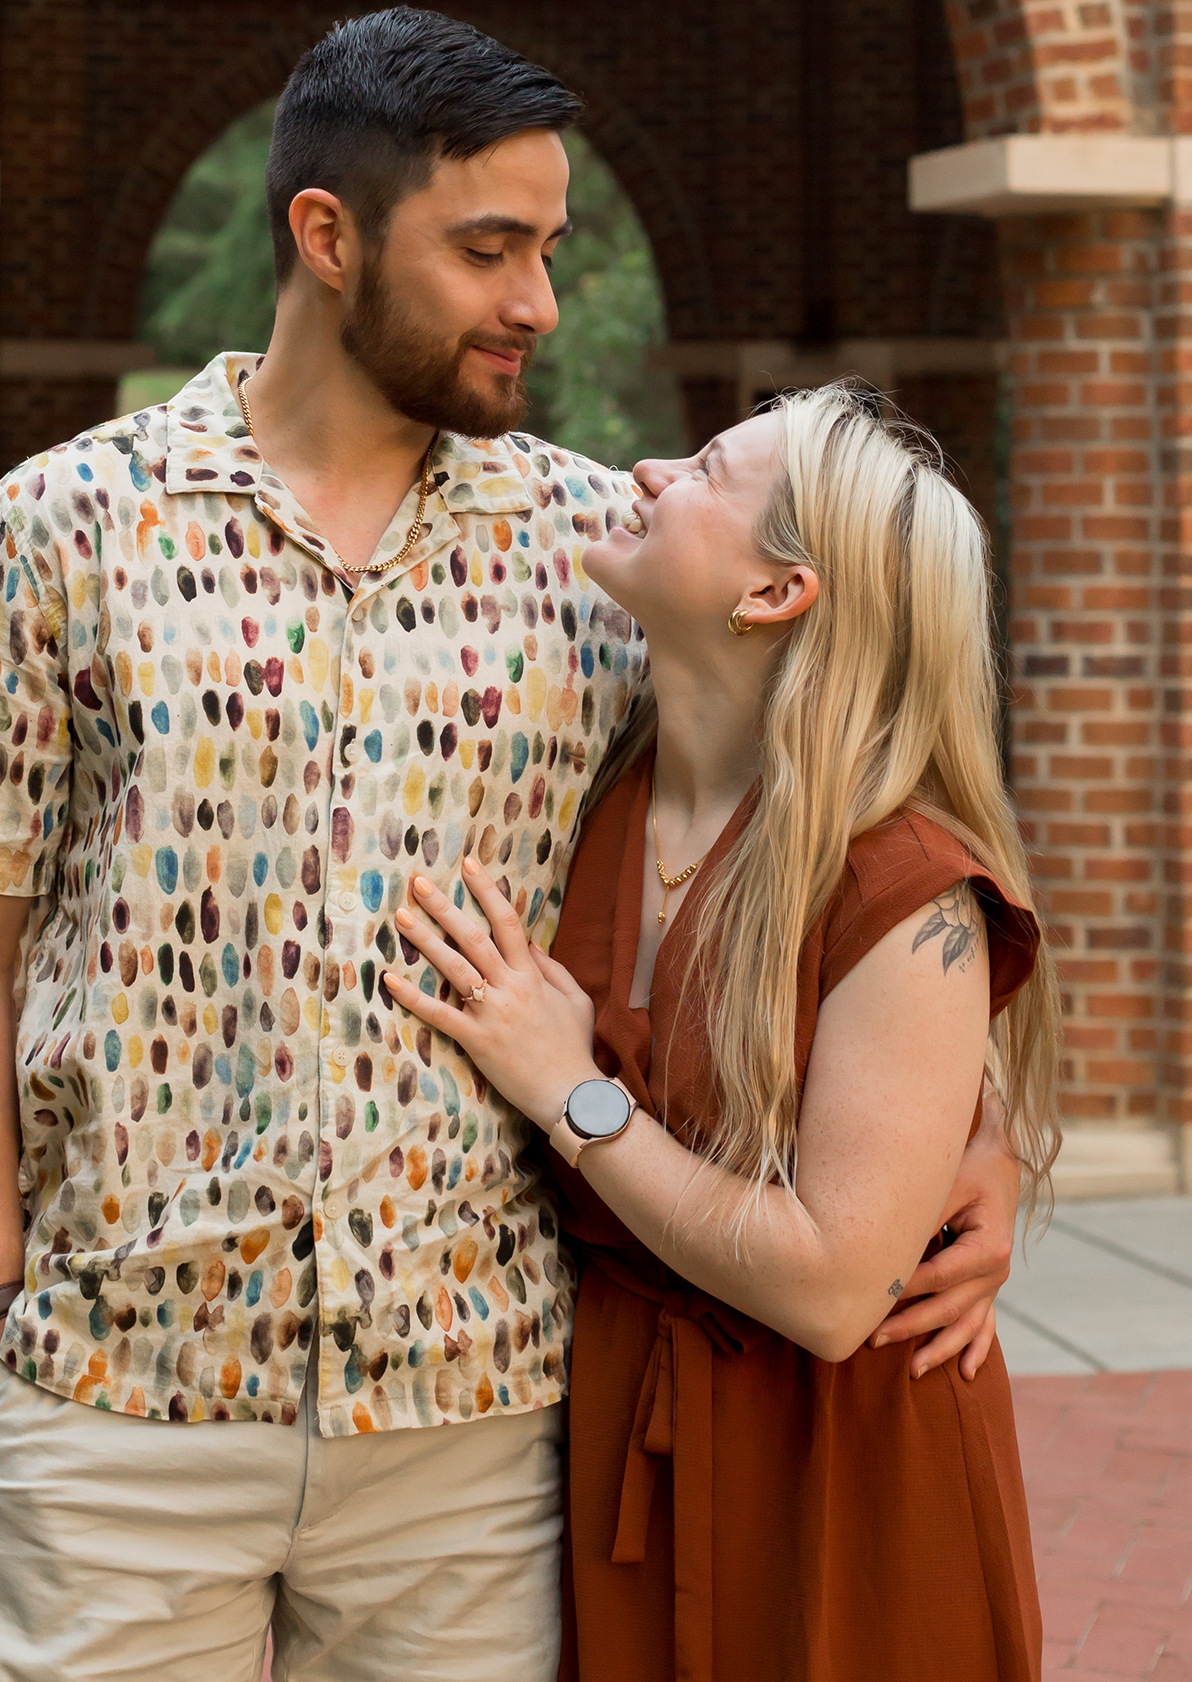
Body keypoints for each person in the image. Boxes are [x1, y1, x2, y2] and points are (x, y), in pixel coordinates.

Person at [0, 10, 1023, 1682]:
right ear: (325, 238)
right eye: (489, 251)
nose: (538, 304)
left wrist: (961, 1134)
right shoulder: (59, 526)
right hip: (121, 1403)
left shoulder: (594, 548)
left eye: (550, 250)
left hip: (474, 1422)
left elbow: (839, 789)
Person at [392, 385, 1057, 1682]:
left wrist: (571, 1095)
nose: (640, 468)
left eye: (703, 469)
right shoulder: (579, 776)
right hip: (609, 1440)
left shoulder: (898, 881)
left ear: (774, 594)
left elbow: (826, 1288)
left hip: (841, 1474)